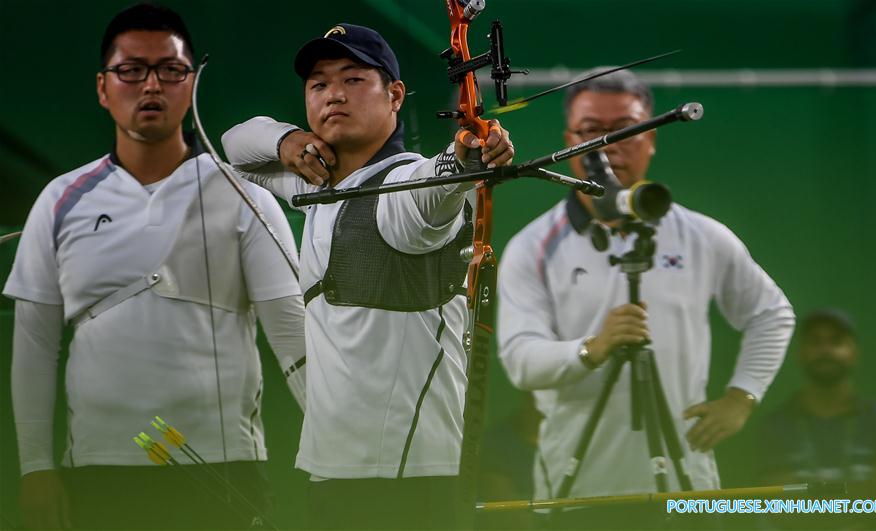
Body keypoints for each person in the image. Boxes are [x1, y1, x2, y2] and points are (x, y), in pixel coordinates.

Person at [3, 4, 305, 529]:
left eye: (170, 70)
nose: (151, 86)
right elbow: (33, 346)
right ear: (103, 87)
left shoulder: (243, 194)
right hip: (98, 473)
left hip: (227, 472)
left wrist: (338, 456)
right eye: (130, 70)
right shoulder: (60, 200)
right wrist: (35, 469)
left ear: (191, 84)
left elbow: (292, 335)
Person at [220, 22, 514, 529]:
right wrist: (288, 140)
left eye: (354, 79)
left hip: (409, 480)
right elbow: (236, 146)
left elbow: (435, 184)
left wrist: (464, 156)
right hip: (333, 471)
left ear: (395, 94)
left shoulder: (404, 182)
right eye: (319, 84)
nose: (333, 93)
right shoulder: (317, 183)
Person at [496, 69, 795, 528]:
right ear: (568, 139)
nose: (608, 145)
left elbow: (771, 314)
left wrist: (742, 396)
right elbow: (520, 360)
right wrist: (593, 348)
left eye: (627, 130)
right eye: (592, 131)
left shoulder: (700, 235)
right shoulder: (534, 245)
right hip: (575, 492)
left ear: (652, 139)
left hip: (687, 490)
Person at [758, 309, 876, 528]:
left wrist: (811, 498)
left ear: (853, 351)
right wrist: (861, 494)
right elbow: (781, 508)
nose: (825, 350)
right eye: (815, 342)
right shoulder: (774, 428)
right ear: (800, 353)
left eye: (836, 341)